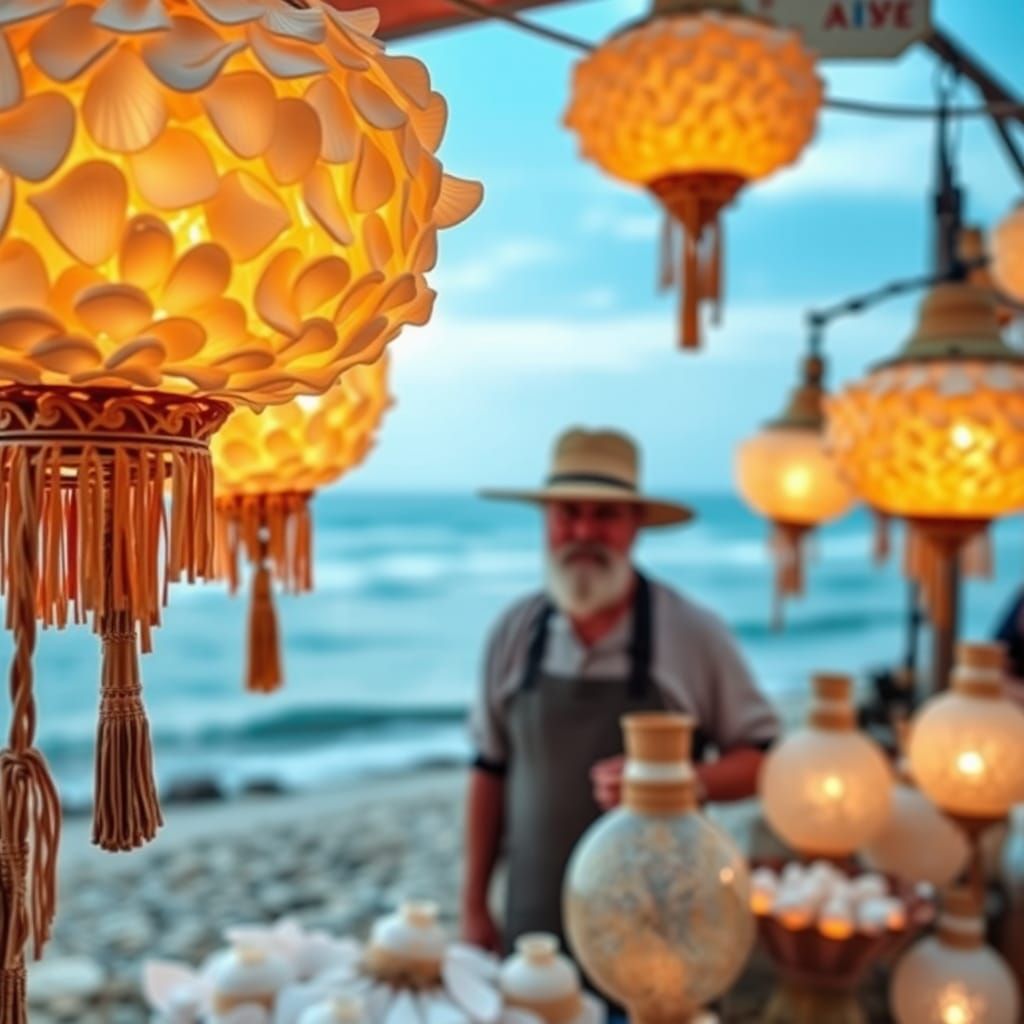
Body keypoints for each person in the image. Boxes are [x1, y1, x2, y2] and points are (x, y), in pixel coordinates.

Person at [461, 427, 779, 953]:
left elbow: (763, 762)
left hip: (661, 932)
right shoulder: (514, 632)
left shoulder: (694, 633)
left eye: (605, 515)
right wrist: (473, 906)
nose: (584, 530)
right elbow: (489, 771)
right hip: (534, 927)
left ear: (636, 527)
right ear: (547, 524)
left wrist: (677, 781)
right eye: (568, 513)